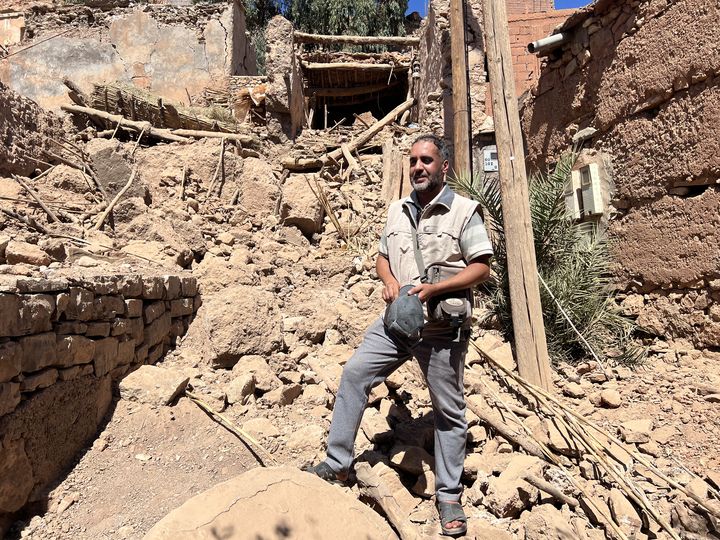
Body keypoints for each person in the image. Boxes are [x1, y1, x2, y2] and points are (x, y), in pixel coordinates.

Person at [306, 134, 493, 537]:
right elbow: (382, 257)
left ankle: (447, 495)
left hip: (442, 329)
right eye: (413, 161)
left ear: (444, 166)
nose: (418, 167)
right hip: (396, 323)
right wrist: (390, 281)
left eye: (426, 160)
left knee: (448, 411)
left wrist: (435, 290)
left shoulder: (463, 211)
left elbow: (481, 268)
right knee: (355, 373)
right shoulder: (397, 211)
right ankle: (338, 464)